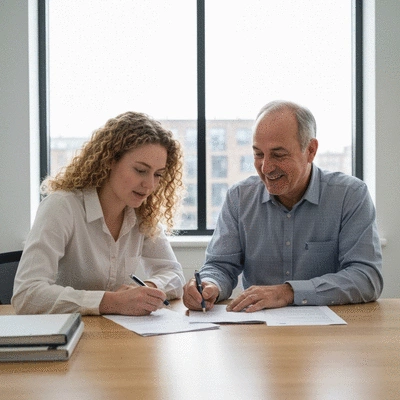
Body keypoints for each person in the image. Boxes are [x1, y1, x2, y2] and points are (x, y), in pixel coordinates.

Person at [183, 100, 383, 312]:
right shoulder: (239, 197)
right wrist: (209, 284)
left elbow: (366, 277)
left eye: (278, 155)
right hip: (259, 330)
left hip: (328, 334)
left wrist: (288, 292)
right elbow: (220, 266)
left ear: (311, 150)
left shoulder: (350, 196)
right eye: (258, 154)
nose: (266, 167)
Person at [12, 111, 185, 315]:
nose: (149, 185)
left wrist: (148, 289)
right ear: (109, 160)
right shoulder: (62, 207)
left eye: (158, 175)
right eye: (140, 170)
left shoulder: (142, 214)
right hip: (65, 335)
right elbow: (27, 294)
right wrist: (111, 302)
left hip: (113, 333)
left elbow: (173, 273)